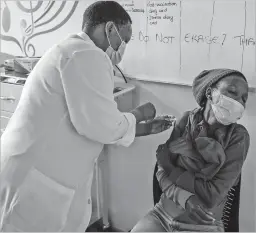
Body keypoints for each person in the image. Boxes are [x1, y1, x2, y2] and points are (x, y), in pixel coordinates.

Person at [0, 1, 175, 232]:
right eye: (125, 39)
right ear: (110, 28)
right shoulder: (86, 54)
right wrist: (140, 114)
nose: (123, 48)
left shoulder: (72, 51)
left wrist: (143, 127)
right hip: (35, 177)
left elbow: (95, 117)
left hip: (38, 169)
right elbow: (101, 125)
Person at [131, 69, 250, 232]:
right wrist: (185, 198)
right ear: (210, 93)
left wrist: (172, 169)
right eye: (232, 92)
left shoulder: (238, 137)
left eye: (244, 99)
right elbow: (160, 171)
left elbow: (211, 196)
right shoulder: (187, 120)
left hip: (202, 226)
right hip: (161, 215)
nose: (238, 102)